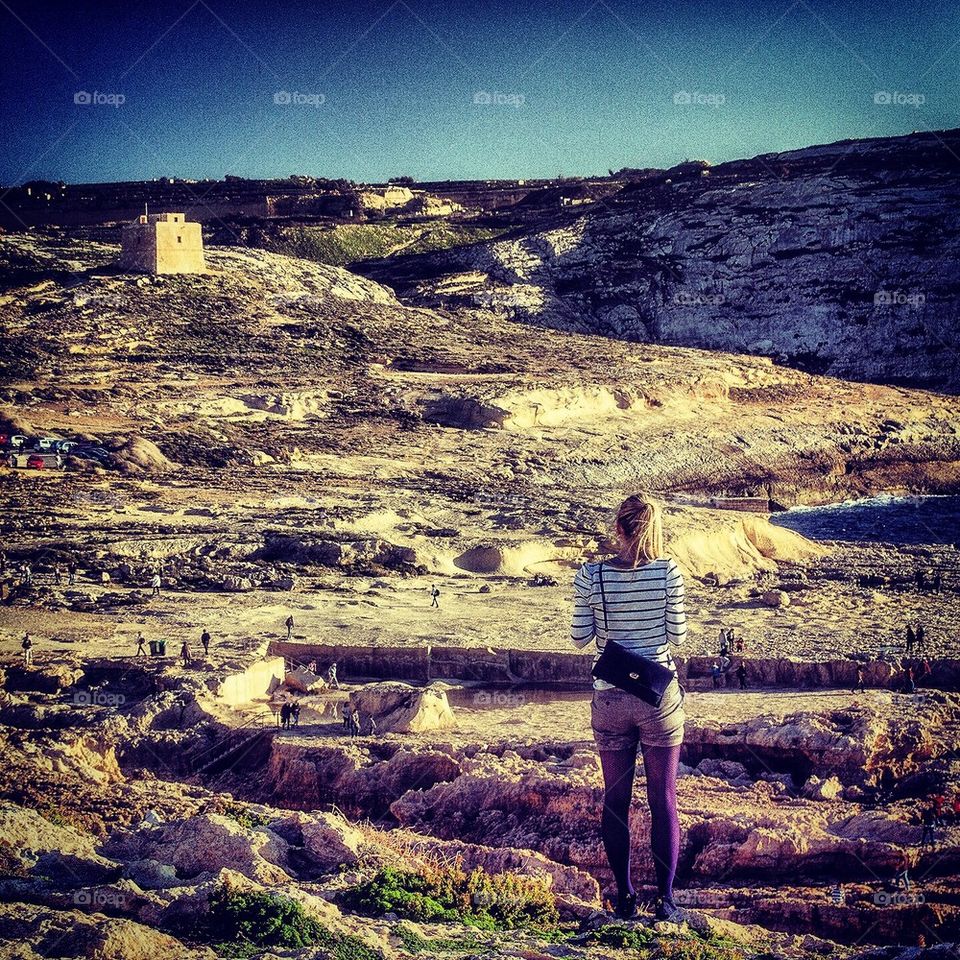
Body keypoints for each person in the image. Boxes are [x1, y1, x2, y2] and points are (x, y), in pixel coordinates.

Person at [571, 493, 686, 921]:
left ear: (617, 528)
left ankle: (624, 897)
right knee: (664, 799)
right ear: (654, 529)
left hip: (610, 696)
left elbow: (580, 638)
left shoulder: (591, 575)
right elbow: (677, 635)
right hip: (658, 698)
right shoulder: (668, 572)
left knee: (615, 800)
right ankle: (668, 903)